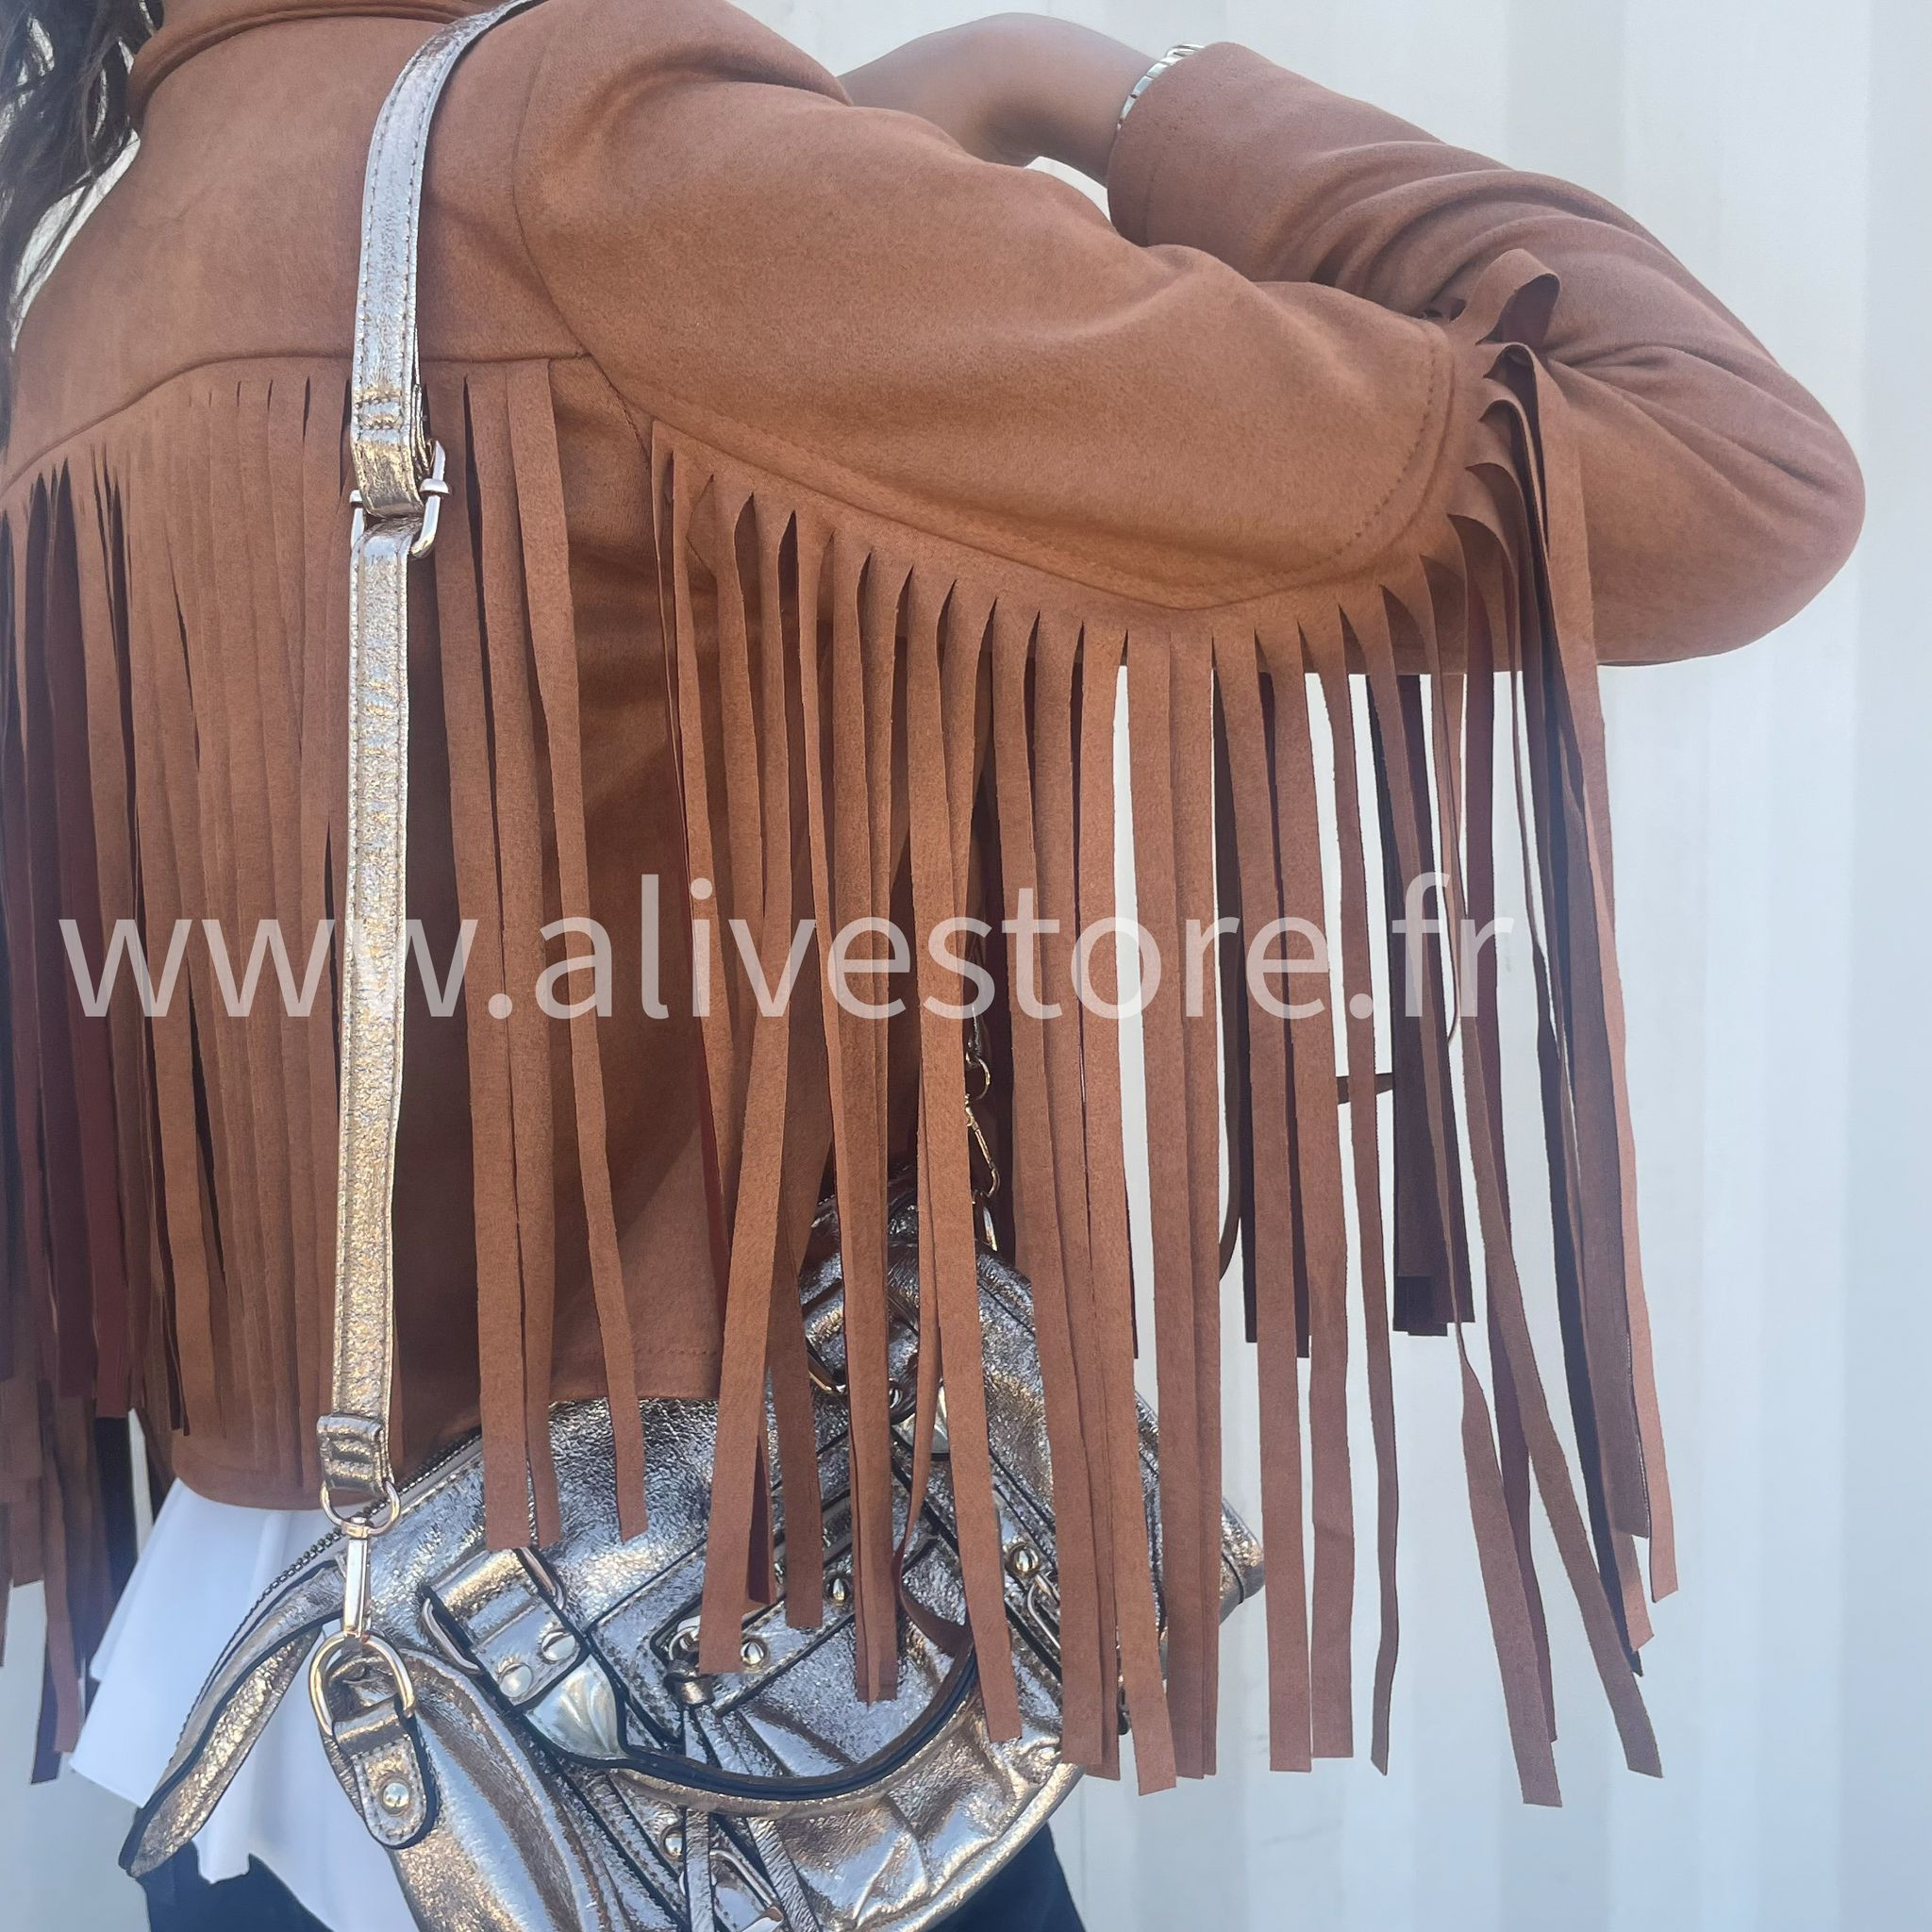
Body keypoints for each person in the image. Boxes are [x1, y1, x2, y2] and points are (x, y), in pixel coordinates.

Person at [0, 3, 1861, 1928]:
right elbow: (1720, 470)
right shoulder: (607, 167)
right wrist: (1098, 90)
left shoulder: (99, 259)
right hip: (708, 1742)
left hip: (262, 1723)